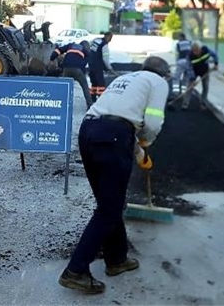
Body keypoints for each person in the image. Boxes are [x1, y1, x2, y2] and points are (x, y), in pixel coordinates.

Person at [58, 56, 171, 295]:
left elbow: (120, 118)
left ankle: (117, 259)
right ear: (165, 74)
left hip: (89, 131)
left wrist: (139, 154)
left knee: (110, 203)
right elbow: (151, 121)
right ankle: (76, 271)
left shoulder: (126, 79)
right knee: (108, 210)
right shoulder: (158, 82)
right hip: (113, 137)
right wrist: (147, 141)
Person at [50, 40, 94, 109]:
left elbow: (59, 50)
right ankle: (90, 105)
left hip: (66, 68)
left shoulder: (71, 45)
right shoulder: (85, 50)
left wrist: (52, 57)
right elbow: (87, 62)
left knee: (64, 87)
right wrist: (82, 70)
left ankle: (60, 103)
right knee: (85, 87)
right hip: (78, 70)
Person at [182, 41, 218, 110]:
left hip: (205, 71)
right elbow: (188, 68)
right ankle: (185, 104)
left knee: (205, 87)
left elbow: (215, 55)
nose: (196, 53)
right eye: (194, 51)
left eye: (197, 50)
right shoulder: (190, 56)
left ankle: (202, 102)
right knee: (189, 87)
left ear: (200, 49)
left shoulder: (206, 50)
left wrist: (216, 63)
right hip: (194, 71)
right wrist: (193, 79)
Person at [88, 31, 117, 102]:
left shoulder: (96, 40)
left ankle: (93, 99)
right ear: (107, 36)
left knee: (94, 83)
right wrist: (109, 68)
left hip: (90, 65)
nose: (111, 40)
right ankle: (101, 100)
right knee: (101, 84)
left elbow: (89, 48)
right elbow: (105, 58)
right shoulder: (104, 45)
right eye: (110, 38)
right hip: (98, 66)